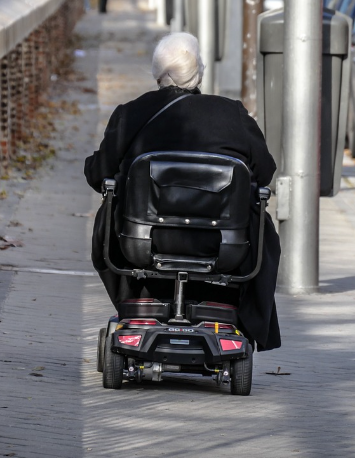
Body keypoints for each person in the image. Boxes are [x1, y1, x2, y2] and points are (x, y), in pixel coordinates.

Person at [84, 32, 282, 351]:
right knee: (260, 221)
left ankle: (140, 298)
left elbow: (98, 175)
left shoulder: (131, 114)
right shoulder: (233, 115)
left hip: (142, 243)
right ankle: (232, 310)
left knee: (110, 209)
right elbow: (266, 172)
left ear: (157, 73)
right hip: (223, 247)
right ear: (199, 71)